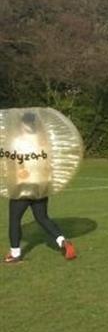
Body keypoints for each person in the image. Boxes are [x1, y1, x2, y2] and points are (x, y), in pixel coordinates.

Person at [4, 111, 77, 263]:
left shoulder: (17, 141)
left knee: (14, 220)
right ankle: (62, 241)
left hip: (23, 186)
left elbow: (12, 163)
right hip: (41, 186)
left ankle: (15, 254)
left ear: (23, 124)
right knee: (42, 218)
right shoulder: (43, 141)